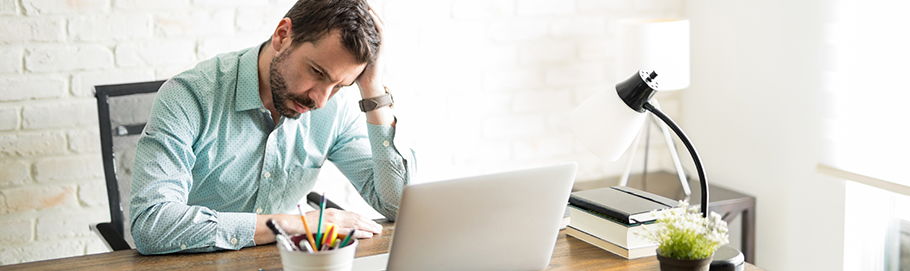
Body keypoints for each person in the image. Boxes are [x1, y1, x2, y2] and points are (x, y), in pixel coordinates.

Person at [129, 0, 415, 255]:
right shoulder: (190, 96)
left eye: (340, 86)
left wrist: (373, 91)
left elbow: (398, 206)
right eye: (317, 72)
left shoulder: (333, 110)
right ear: (282, 36)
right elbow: (152, 224)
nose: (320, 99)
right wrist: (291, 225)